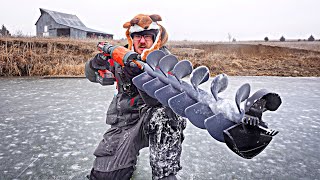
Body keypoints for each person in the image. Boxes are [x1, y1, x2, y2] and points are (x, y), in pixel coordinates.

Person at [85, 14, 186, 180]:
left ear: (156, 38)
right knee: (105, 176)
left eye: (147, 37)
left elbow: (159, 101)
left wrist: (140, 78)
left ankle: (165, 173)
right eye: (138, 36)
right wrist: (94, 64)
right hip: (124, 122)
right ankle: (124, 158)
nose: (142, 41)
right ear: (131, 38)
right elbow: (90, 75)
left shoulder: (166, 62)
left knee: (166, 115)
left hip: (153, 119)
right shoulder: (119, 57)